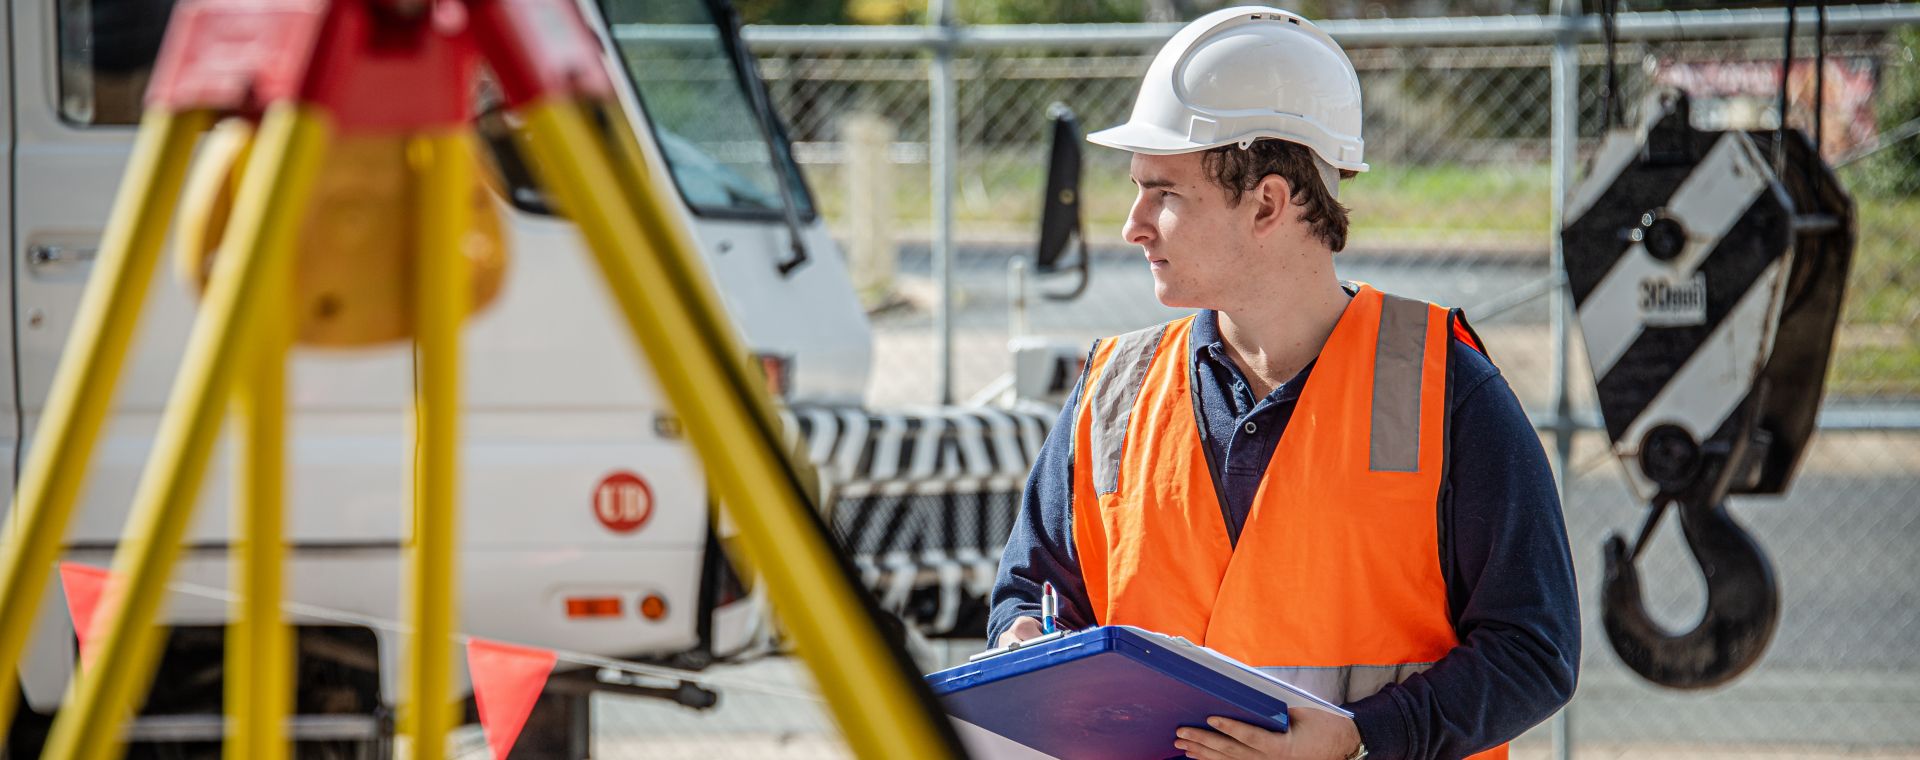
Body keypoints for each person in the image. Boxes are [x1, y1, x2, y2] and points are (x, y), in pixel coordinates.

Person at [987, 7, 1579, 760]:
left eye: (1164, 193)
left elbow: (1534, 650)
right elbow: (1030, 590)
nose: (1133, 225)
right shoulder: (1113, 391)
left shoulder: (1446, 388)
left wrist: (1364, 739)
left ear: (1268, 202)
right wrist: (1024, 638)